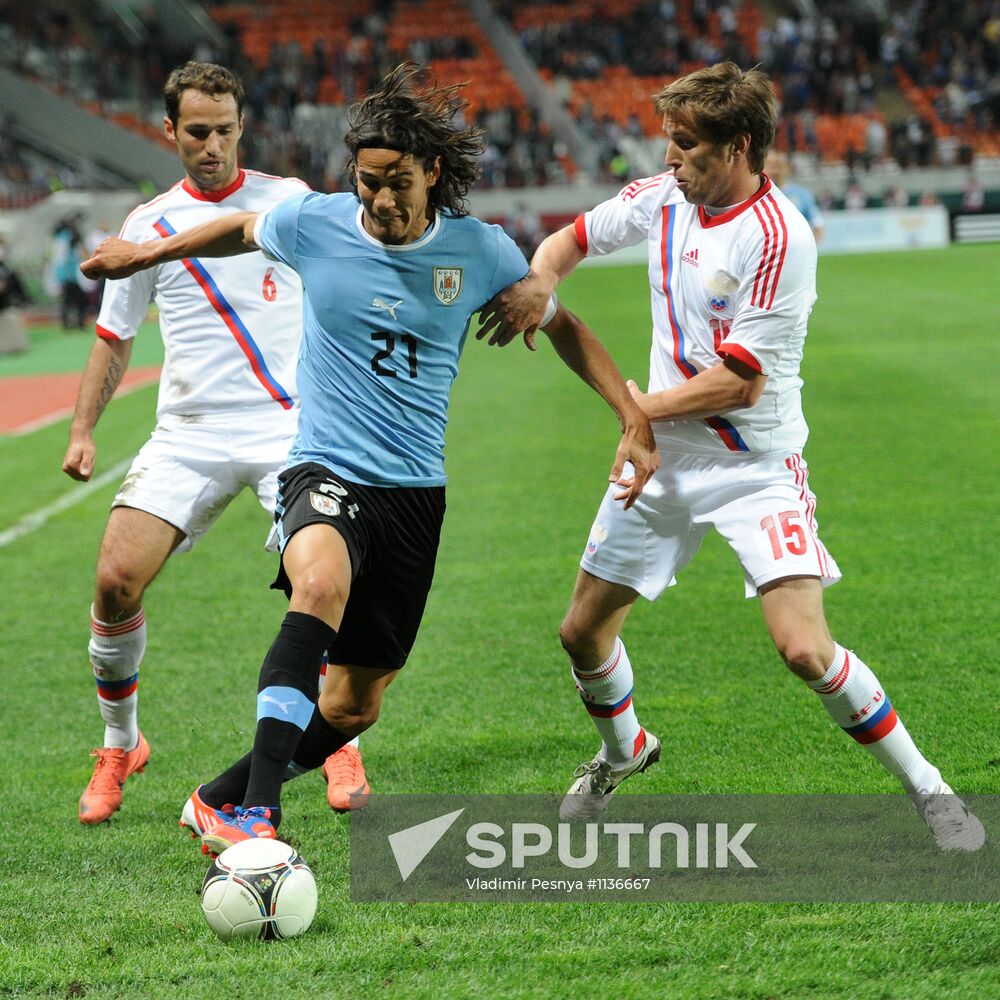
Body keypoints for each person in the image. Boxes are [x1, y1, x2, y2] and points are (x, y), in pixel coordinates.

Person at [82, 63, 658, 855]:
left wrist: (629, 411)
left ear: (432, 173)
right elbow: (238, 230)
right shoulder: (315, 223)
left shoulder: (478, 251)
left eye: (397, 183)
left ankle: (214, 799)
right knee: (315, 585)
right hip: (324, 467)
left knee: (353, 707)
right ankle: (257, 815)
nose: (381, 201)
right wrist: (145, 256)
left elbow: (561, 324)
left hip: (414, 495)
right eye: (366, 183)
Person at [477, 61, 984, 851]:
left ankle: (930, 790)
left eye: (687, 145)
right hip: (661, 457)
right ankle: (624, 752)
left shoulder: (780, 236)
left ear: (739, 146)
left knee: (805, 649)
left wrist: (631, 410)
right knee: (580, 633)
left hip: (754, 466)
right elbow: (570, 240)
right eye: (669, 142)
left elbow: (740, 383)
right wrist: (541, 281)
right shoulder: (662, 199)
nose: (669, 158)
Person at [65, 61, 372, 827]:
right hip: (190, 432)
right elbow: (114, 337)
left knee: (323, 581)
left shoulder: (288, 203)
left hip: (292, 427)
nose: (212, 145)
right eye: (197, 132)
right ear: (169, 131)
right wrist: (82, 429)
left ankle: (331, 739)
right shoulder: (145, 226)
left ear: (243, 126)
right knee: (114, 580)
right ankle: (120, 744)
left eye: (225, 130)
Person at [763, 149, 823, 243]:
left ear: (787, 168)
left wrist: (809, 249)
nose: (775, 171)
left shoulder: (802, 194)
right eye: (770, 166)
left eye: (778, 166)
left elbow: (817, 225)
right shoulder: (760, 195)